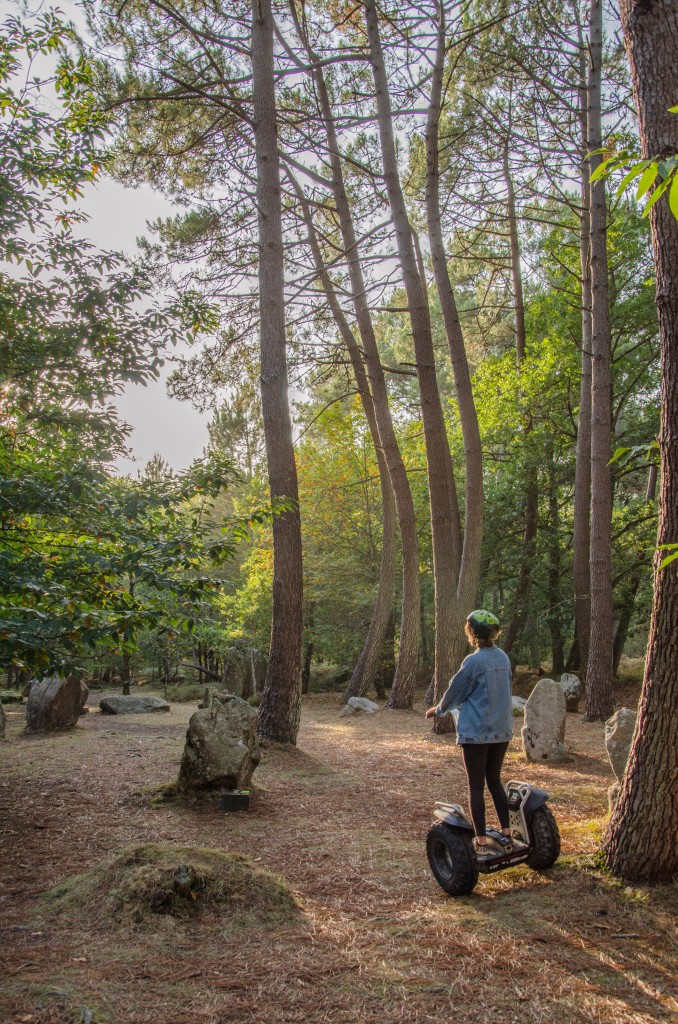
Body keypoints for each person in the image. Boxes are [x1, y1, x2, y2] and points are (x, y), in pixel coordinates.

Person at [425, 609, 514, 858]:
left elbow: (456, 690)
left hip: (476, 732)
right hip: (501, 731)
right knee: (495, 780)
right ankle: (507, 831)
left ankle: (481, 840)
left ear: (472, 633)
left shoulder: (473, 662)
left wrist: (439, 710)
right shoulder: (503, 658)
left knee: (475, 785)